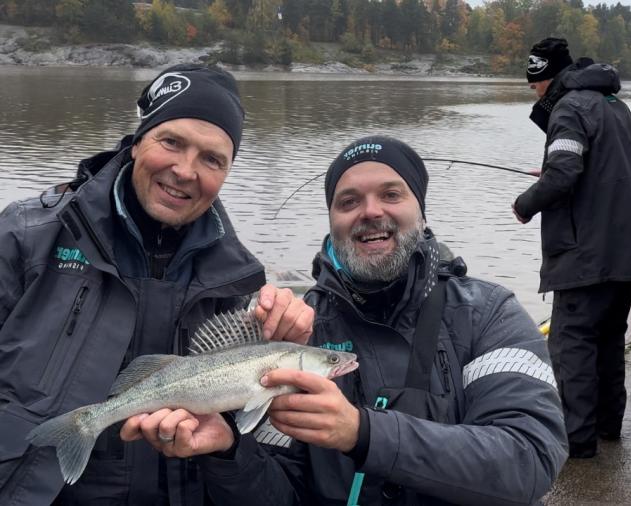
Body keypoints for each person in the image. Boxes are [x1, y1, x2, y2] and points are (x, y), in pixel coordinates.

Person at [0, 64, 314, 505]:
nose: (185, 171)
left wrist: (228, 448)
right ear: (136, 143)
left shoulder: (243, 288)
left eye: (211, 159)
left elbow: (272, 482)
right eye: (171, 142)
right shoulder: (25, 235)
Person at [254, 135, 568, 505]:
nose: (370, 211)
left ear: (421, 213)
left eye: (391, 195)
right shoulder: (298, 329)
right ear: (332, 222)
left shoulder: (490, 313)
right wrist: (226, 453)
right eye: (349, 201)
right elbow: (273, 486)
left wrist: (363, 433)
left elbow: (529, 458)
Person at [512, 38, 631, 459]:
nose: (534, 93)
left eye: (534, 85)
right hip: (628, 249)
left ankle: (576, 440)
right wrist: (551, 170)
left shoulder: (568, 108)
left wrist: (525, 203)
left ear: (546, 77)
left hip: (588, 253)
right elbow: (591, 165)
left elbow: (564, 173)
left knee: (572, 343)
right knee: (608, 339)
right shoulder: (612, 104)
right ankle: (606, 427)